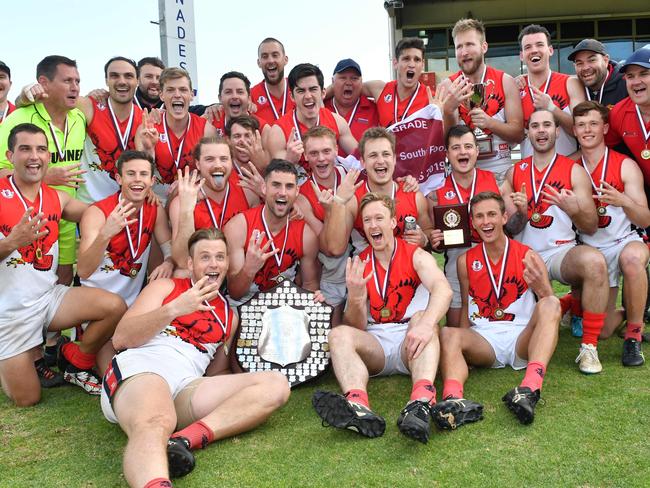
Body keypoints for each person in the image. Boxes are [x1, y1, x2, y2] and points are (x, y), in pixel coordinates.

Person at [101, 228, 290, 486]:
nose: (213, 264)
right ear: (190, 263)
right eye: (205, 257)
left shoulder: (228, 315)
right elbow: (121, 338)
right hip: (142, 369)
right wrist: (174, 309)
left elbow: (216, 375)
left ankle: (184, 439)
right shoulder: (166, 287)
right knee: (157, 420)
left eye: (220, 257)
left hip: (185, 384)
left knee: (275, 384)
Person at [0, 123, 125, 403]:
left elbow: (94, 211)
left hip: (48, 299)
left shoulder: (56, 196)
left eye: (41, 149)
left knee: (114, 306)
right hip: (9, 312)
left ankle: (75, 359)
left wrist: (136, 196)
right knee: (27, 398)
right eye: (25, 149)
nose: (35, 156)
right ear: (10, 155)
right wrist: (11, 242)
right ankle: (16, 356)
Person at [312, 192, 451, 443]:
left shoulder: (416, 254)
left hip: (412, 339)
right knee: (338, 333)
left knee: (422, 317)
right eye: (367, 220)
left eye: (379, 218)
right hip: (376, 342)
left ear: (392, 222)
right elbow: (357, 326)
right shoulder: (359, 263)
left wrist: (428, 323)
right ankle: (357, 406)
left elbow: (443, 289)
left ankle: (420, 402)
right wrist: (354, 298)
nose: (373, 225)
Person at [432, 192, 560, 428]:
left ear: (504, 217)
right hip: (485, 339)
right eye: (479, 216)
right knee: (448, 333)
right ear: (472, 222)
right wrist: (460, 349)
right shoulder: (465, 261)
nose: (486, 222)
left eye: (492, 214)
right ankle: (453, 400)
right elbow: (467, 308)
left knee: (552, 303)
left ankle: (530, 388)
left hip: (522, 336)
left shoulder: (528, 255)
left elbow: (550, 308)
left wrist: (543, 289)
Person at [502, 108, 609, 374]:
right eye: (535, 126)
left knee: (595, 262)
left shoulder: (573, 171)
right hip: (525, 256)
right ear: (527, 133)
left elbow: (591, 226)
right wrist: (523, 215)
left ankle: (589, 348)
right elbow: (508, 230)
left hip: (561, 253)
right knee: (527, 325)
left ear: (557, 131)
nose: (541, 131)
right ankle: (567, 305)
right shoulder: (514, 173)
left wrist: (574, 208)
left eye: (547, 125)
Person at [573, 101, 650, 366]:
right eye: (581, 125)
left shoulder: (625, 165)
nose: (587, 130)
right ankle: (631, 310)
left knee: (631, 260)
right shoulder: (570, 166)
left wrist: (623, 200)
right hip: (591, 248)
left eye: (593, 123)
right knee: (602, 332)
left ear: (605, 127)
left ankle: (634, 337)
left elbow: (645, 217)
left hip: (624, 240)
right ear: (574, 130)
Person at [0, 55, 88, 285]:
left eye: (77, 81)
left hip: (66, 215)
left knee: (64, 278)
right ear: (44, 83)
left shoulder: (79, 118)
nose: (75, 87)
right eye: (67, 81)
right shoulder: (18, 118)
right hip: (24, 220)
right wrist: (45, 177)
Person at [77, 150, 174, 306]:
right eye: (131, 174)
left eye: (143, 174)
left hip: (132, 305)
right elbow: (83, 270)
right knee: (114, 306)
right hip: (95, 303)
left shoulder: (155, 210)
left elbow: (170, 251)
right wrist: (106, 234)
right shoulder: (97, 213)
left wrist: (168, 262)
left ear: (152, 181)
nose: (137, 180)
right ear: (119, 179)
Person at [321, 127, 433, 256]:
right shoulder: (354, 199)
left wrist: (424, 240)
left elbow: (430, 235)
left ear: (394, 159)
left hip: (407, 272)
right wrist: (339, 201)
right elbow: (335, 249)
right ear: (363, 162)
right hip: (369, 272)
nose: (380, 161)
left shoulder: (414, 195)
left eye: (386, 154)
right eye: (373, 155)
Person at [223, 159, 320, 304]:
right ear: (264, 188)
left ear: (297, 191)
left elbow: (309, 285)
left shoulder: (306, 235)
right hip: (245, 305)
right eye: (276, 185)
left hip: (286, 307)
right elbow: (235, 293)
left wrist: (313, 299)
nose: (282, 193)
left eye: (289, 187)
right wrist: (249, 269)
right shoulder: (238, 227)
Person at [430, 125, 500, 326]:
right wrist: (434, 240)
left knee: (495, 323)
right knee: (455, 329)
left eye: (468, 146)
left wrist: (520, 210)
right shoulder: (436, 191)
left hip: (492, 259)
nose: (463, 152)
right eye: (456, 147)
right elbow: (430, 235)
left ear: (477, 151)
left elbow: (511, 226)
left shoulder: (495, 181)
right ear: (447, 153)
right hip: (456, 260)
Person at [440, 18, 524, 183]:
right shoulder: (447, 86)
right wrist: (449, 112)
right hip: (462, 176)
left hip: (500, 172)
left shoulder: (505, 81)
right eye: (459, 47)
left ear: (484, 47)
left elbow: (518, 134)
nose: (464, 52)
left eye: (470, 44)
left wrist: (490, 123)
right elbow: (441, 143)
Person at [169, 136, 260, 268]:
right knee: (181, 274)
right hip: (204, 272)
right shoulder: (181, 201)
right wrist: (187, 211)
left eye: (224, 159)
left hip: (239, 268)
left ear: (231, 162)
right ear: (198, 164)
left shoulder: (248, 193)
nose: (218, 165)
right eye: (209, 159)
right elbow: (182, 261)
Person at [294, 126, 352, 323]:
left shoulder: (351, 177)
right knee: (330, 330)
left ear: (336, 150)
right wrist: (330, 211)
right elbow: (329, 248)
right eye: (314, 153)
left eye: (326, 151)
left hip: (359, 262)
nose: (321, 158)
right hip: (330, 270)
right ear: (306, 156)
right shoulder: (302, 195)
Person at [135, 67, 217, 202]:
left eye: (183, 90)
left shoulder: (206, 130)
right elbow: (141, 170)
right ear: (161, 95)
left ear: (191, 94)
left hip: (191, 200)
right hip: (154, 200)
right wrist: (148, 149)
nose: (177, 95)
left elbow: (214, 170)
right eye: (171, 90)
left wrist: (189, 179)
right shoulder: (148, 127)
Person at [267, 63, 358, 177]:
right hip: (299, 193)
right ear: (292, 97)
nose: (308, 96)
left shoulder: (337, 121)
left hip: (333, 191)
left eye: (313, 89)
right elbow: (277, 179)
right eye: (301, 91)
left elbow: (360, 157)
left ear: (323, 93)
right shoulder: (278, 131)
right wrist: (289, 160)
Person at [74, 56, 143, 203]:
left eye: (129, 76)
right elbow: (50, 98)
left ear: (137, 81)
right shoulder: (88, 106)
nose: (122, 81)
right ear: (106, 80)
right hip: (90, 206)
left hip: (129, 206)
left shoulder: (145, 118)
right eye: (114, 76)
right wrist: (25, 95)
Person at [518, 24, 586, 159]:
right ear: (521, 55)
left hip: (566, 170)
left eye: (539, 45)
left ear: (550, 50)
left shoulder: (570, 83)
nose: (534, 50)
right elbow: (512, 136)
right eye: (528, 47)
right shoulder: (516, 87)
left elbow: (582, 129)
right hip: (530, 174)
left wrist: (551, 108)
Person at [324, 59, 379, 143]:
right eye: (343, 78)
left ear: (361, 83)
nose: (348, 83)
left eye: (354, 78)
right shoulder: (321, 107)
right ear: (332, 82)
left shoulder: (376, 109)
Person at [209, 71, 270, 145]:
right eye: (228, 92)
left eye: (240, 92)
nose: (234, 96)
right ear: (220, 98)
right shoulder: (209, 124)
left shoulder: (263, 129)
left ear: (249, 98)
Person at [568, 39, 628, 109]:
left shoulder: (626, 85)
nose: (585, 68)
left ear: (605, 61)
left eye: (592, 60)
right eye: (579, 63)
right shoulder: (573, 88)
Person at [250, 37, 295, 125]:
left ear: (285, 60)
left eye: (275, 55)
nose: (270, 60)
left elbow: (321, 93)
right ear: (259, 63)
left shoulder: (299, 87)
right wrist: (216, 107)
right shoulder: (251, 96)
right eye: (265, 56)